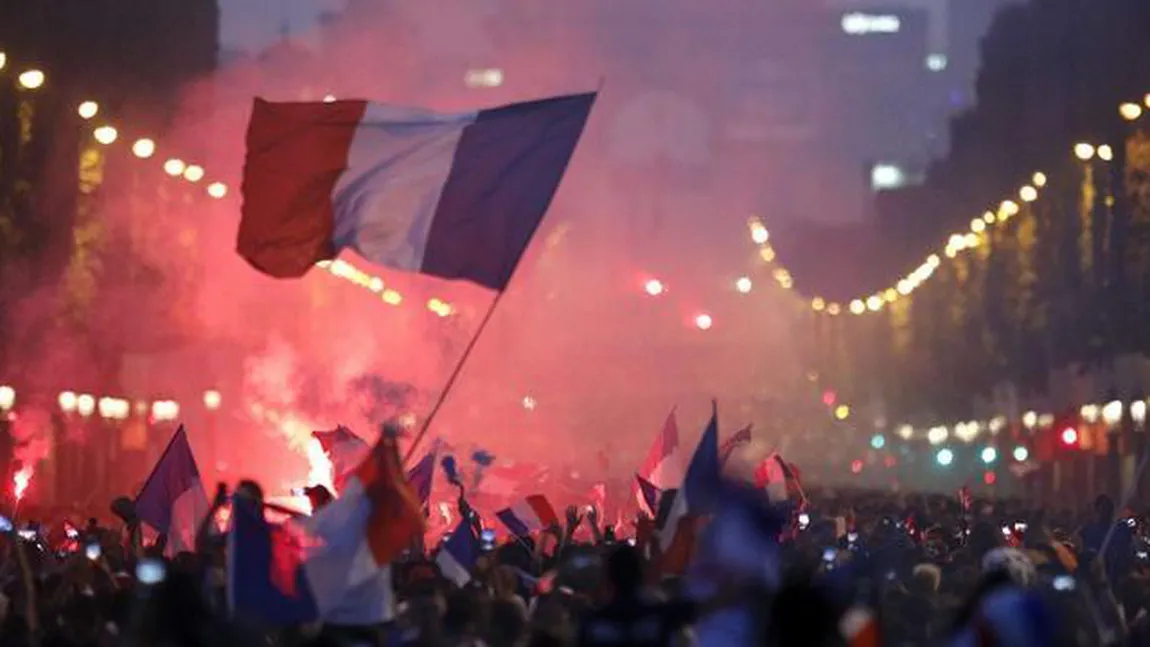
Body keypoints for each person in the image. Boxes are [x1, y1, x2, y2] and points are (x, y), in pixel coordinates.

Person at [578, 544, 696, 647]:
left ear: (607, 577)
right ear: (642, 575)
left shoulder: (593, 623)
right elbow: (707, 608)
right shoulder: (663, 616)